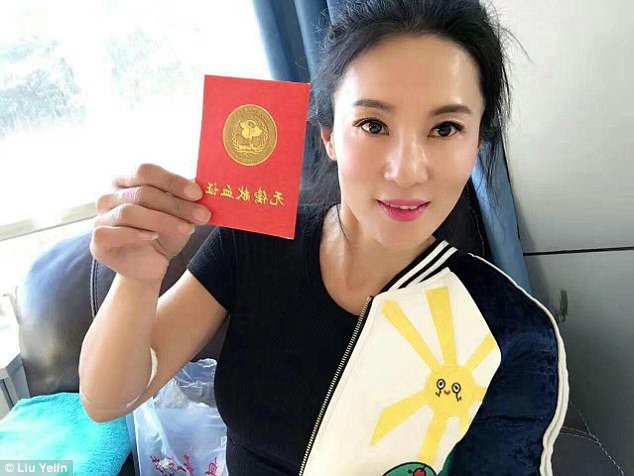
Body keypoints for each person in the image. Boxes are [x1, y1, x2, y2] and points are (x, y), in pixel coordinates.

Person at [79, 1, 568, 475]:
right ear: (329, 135)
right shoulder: (254, 243)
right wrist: (137, 278)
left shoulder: (509, 331)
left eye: (445, 128)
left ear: (477, 143)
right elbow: (109, 399)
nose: (406, 171)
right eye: (373, 125)